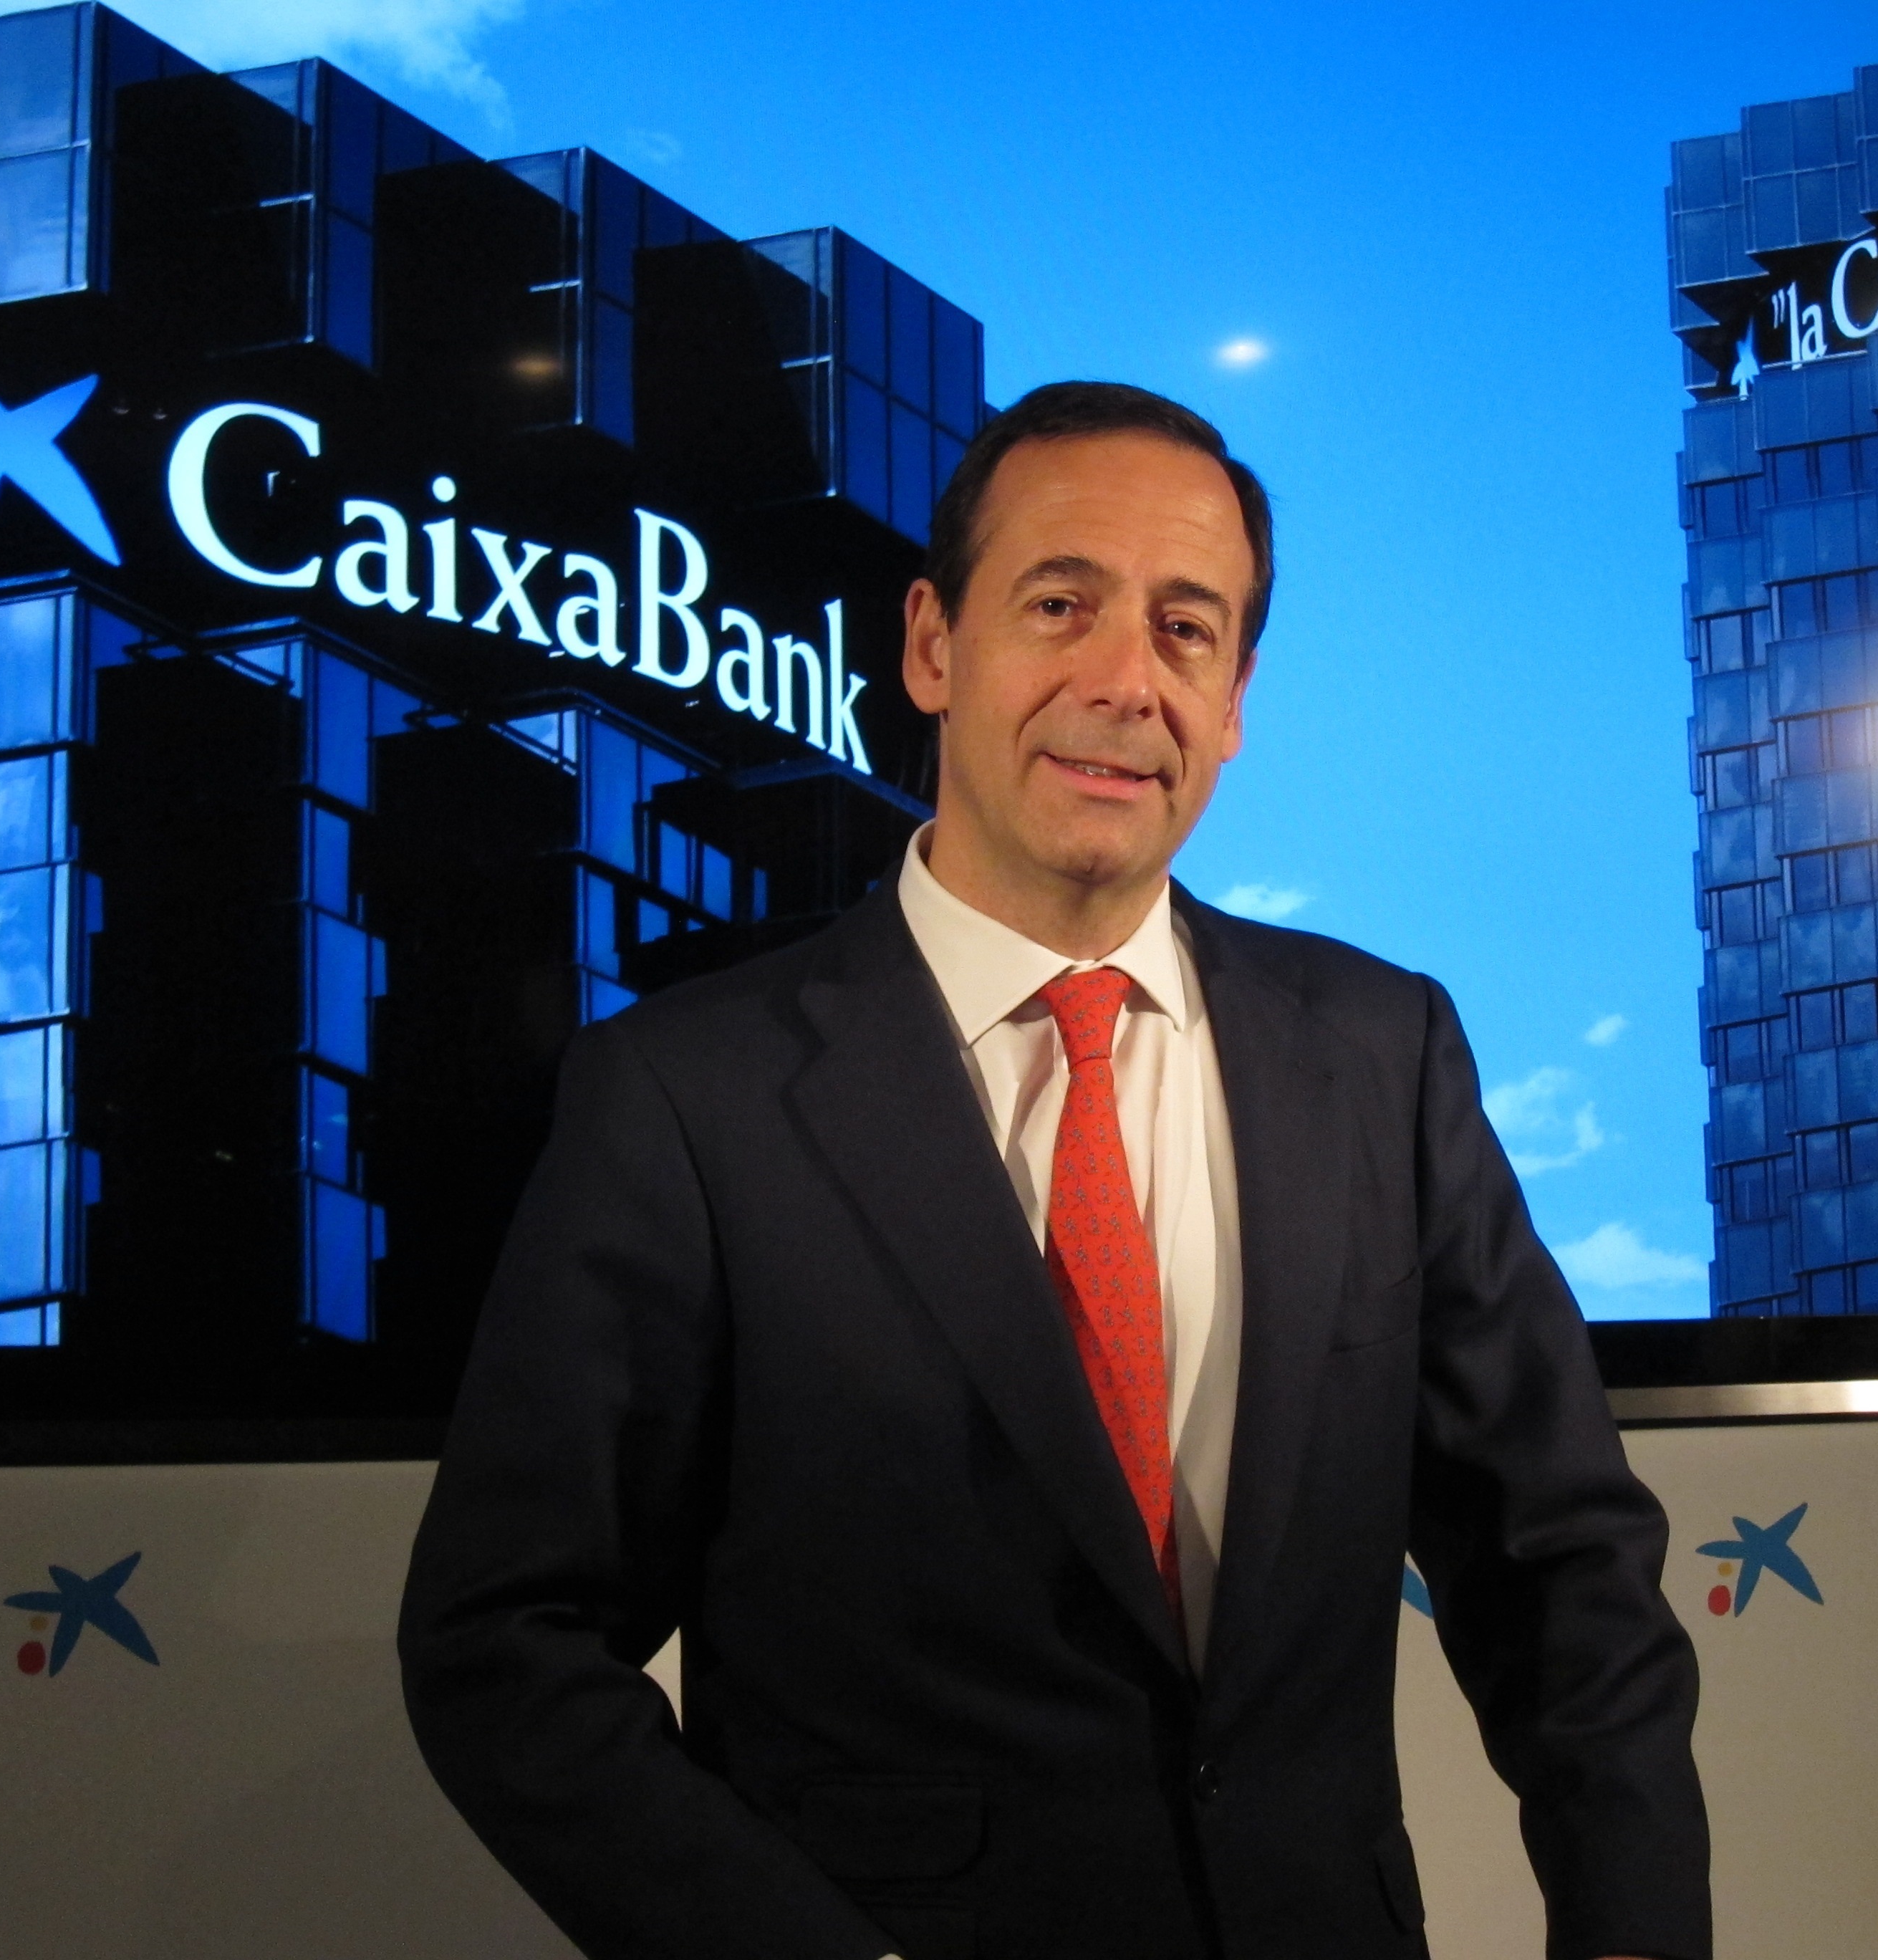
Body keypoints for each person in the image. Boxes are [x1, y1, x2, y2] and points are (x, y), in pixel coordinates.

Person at [398, 381, 1710, 1960]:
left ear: (1234, 699)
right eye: (1061, 605)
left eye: (1185, 629)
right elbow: (507, 1641)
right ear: (932, 646)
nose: (1125, 681)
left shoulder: (1384, 1052)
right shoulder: (686, 1095)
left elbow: (1559, 1562)